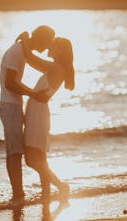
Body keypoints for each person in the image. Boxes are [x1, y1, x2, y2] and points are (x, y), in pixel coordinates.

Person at [0, 26, 55, 201]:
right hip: (10, 105)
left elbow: (32, 61)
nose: (46, 48)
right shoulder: (16, 52)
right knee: (14, 153)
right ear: (40, 38)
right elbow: (10, 83)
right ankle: (18, 194)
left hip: (14, 105)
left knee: (15, 152)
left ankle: (18, 194)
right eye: (47, 43)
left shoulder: (22, 51)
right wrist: (33, 94)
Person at [18, 34, 74, 201]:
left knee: (32, 159)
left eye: (53, 45)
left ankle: (61, 186)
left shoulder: (56, 69)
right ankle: (47, 194)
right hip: (38, 111)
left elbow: (29, 57)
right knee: (39, 158)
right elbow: (30, 60)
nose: (49, 47)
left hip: (38, 114)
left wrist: (25, 39)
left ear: (61, 51)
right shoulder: (55, 68)